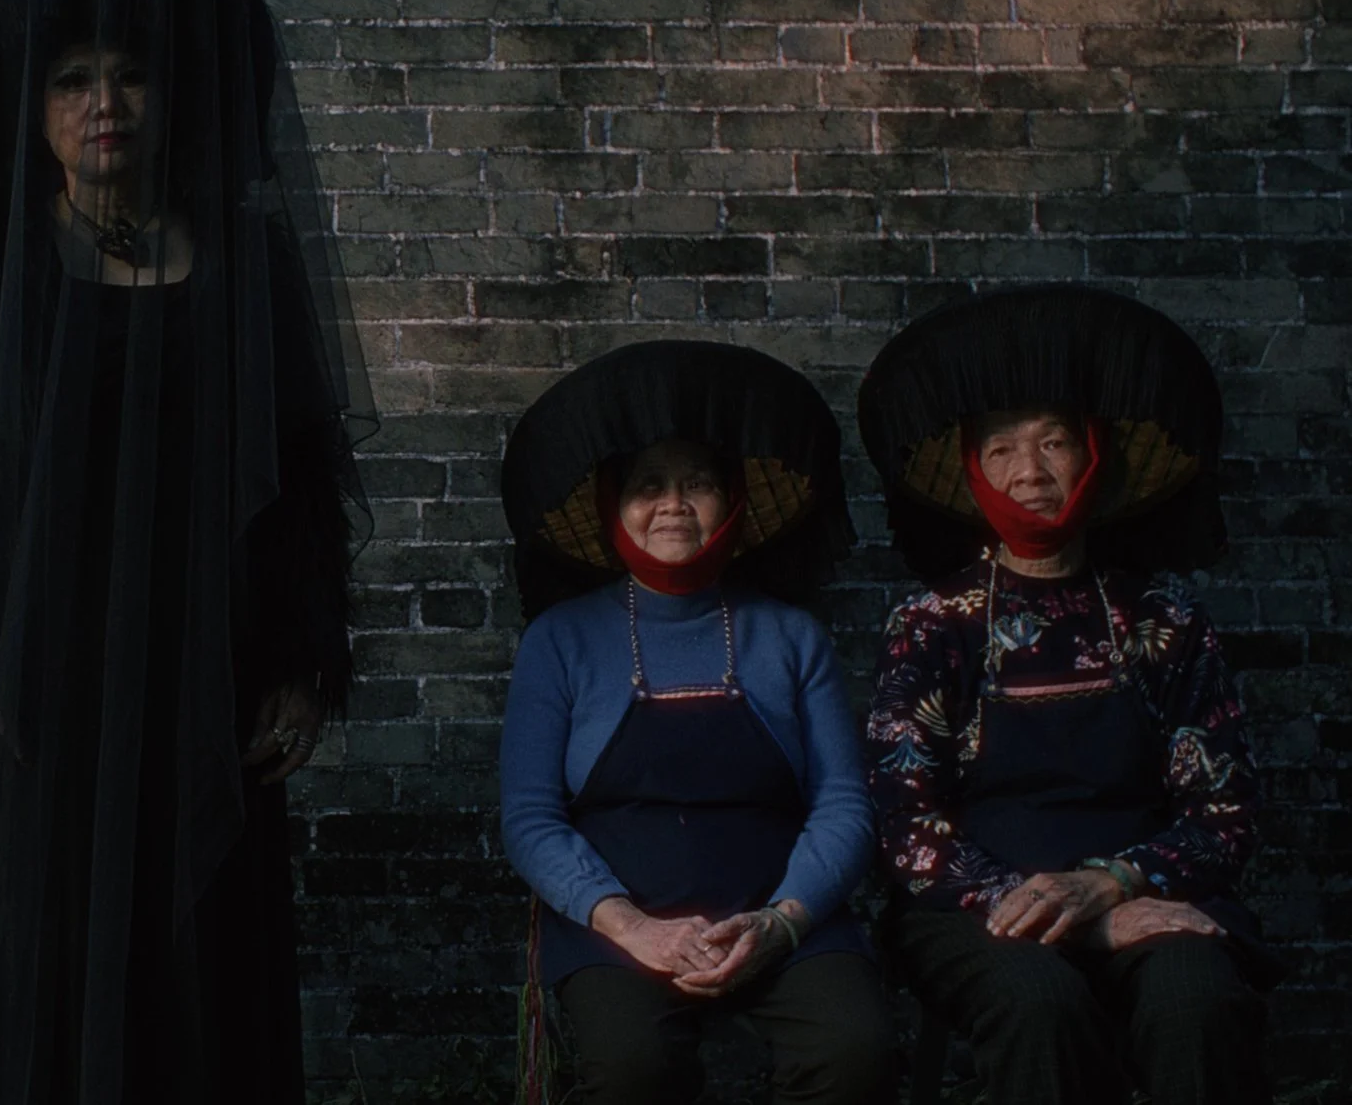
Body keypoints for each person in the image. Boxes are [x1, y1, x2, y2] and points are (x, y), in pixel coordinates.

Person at [0, 0, 373, 1104]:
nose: (105, 103)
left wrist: (298, 660)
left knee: (200, 932)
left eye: (130, 74)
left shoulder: (242, 262)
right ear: (34, 107)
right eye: (73, 78)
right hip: (41, 663)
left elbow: (294, 483)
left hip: (206, 659)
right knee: (43, 933)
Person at [858, 285, 1275, 1105]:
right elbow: (906, 827)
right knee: (1040, 1002)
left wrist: (1114, 886)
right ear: (974, 469)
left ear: (1093, 456)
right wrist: (1062, 911)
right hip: (978, 904)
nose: (1031, 472)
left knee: (1197, 999)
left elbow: (1225, 813)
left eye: (1054, 443)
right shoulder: (933, 621)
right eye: (1003, 449)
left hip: (1143, 889)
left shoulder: (1163, 617)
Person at [497, 341, 891, 1105]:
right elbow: (531, 818)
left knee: (856, 1050)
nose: (672, 503)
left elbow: (844, 802)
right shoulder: (562, 639)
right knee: (635, 1069)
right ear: (614, 504)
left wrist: (781, 922)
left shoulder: (789, 635)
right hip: (618, 923)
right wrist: (630, 926)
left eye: (698, 482)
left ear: (733, 501)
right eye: (647, 485)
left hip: (781, 914)